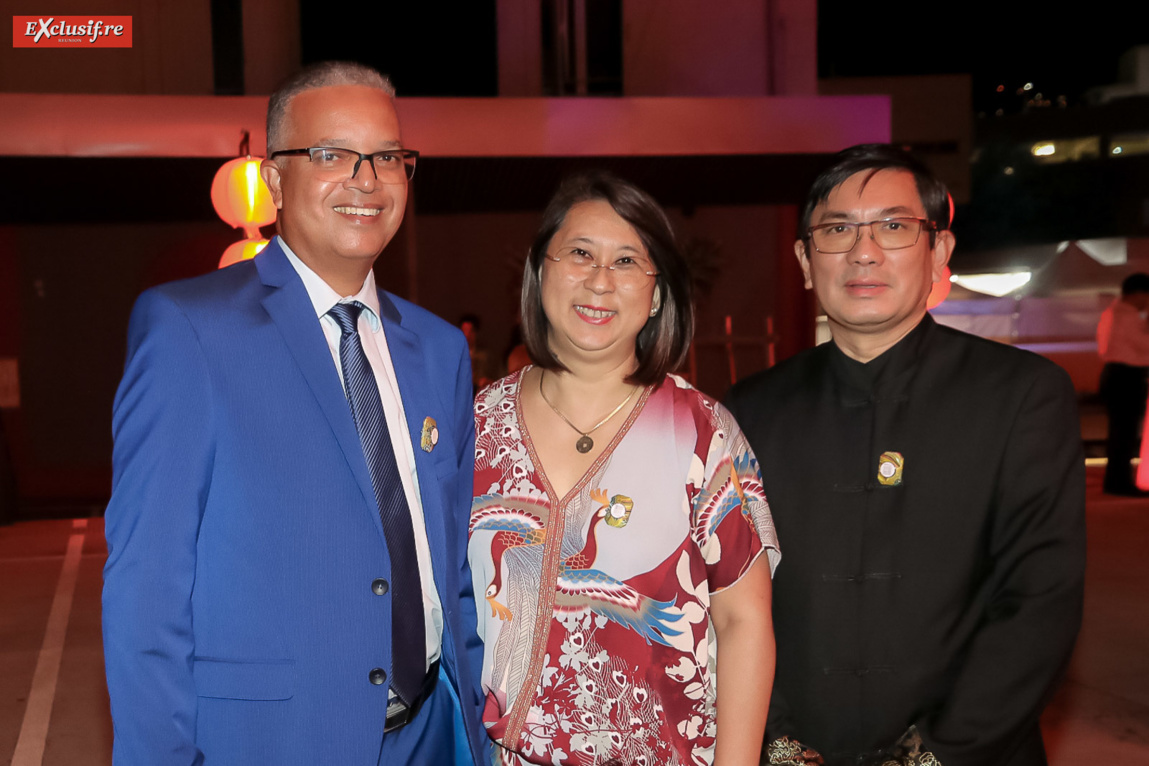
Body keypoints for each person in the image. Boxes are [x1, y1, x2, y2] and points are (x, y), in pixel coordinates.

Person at [102, 62, 487, 766]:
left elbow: (448, 564)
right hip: (270, 743)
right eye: (330, 155)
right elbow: (145, 591)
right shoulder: (189, 330)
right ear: (274, 180)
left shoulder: (437, 350)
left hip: (431, 735)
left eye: (387, 158)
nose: (365, 180)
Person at [726, 144, 1086, 766]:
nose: (864, 252)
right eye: (837, 230)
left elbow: (1039, 598)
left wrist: (931, 757)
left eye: (893, 227)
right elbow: (723, 598)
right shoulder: (744, 413)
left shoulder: (1022, 395)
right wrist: (779, 744)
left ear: (938, 252)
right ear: (805, 261)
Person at [467, 171, 780, 766]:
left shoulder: (702, 433)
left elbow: (744, 623)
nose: (600, 281)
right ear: (540, 273)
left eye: (628, 261)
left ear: (657, 293)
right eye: (580, 254)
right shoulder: (476, 427)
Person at [1096, 272, 1149, 496]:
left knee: (1120, 433)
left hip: (1115, 375)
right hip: (1126, 376)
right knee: (1124, 434)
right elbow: (1144, 347)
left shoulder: (1111, 312)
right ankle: (1119, 483)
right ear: (1138, 294)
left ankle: (1116, 481)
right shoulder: (1126, 316)